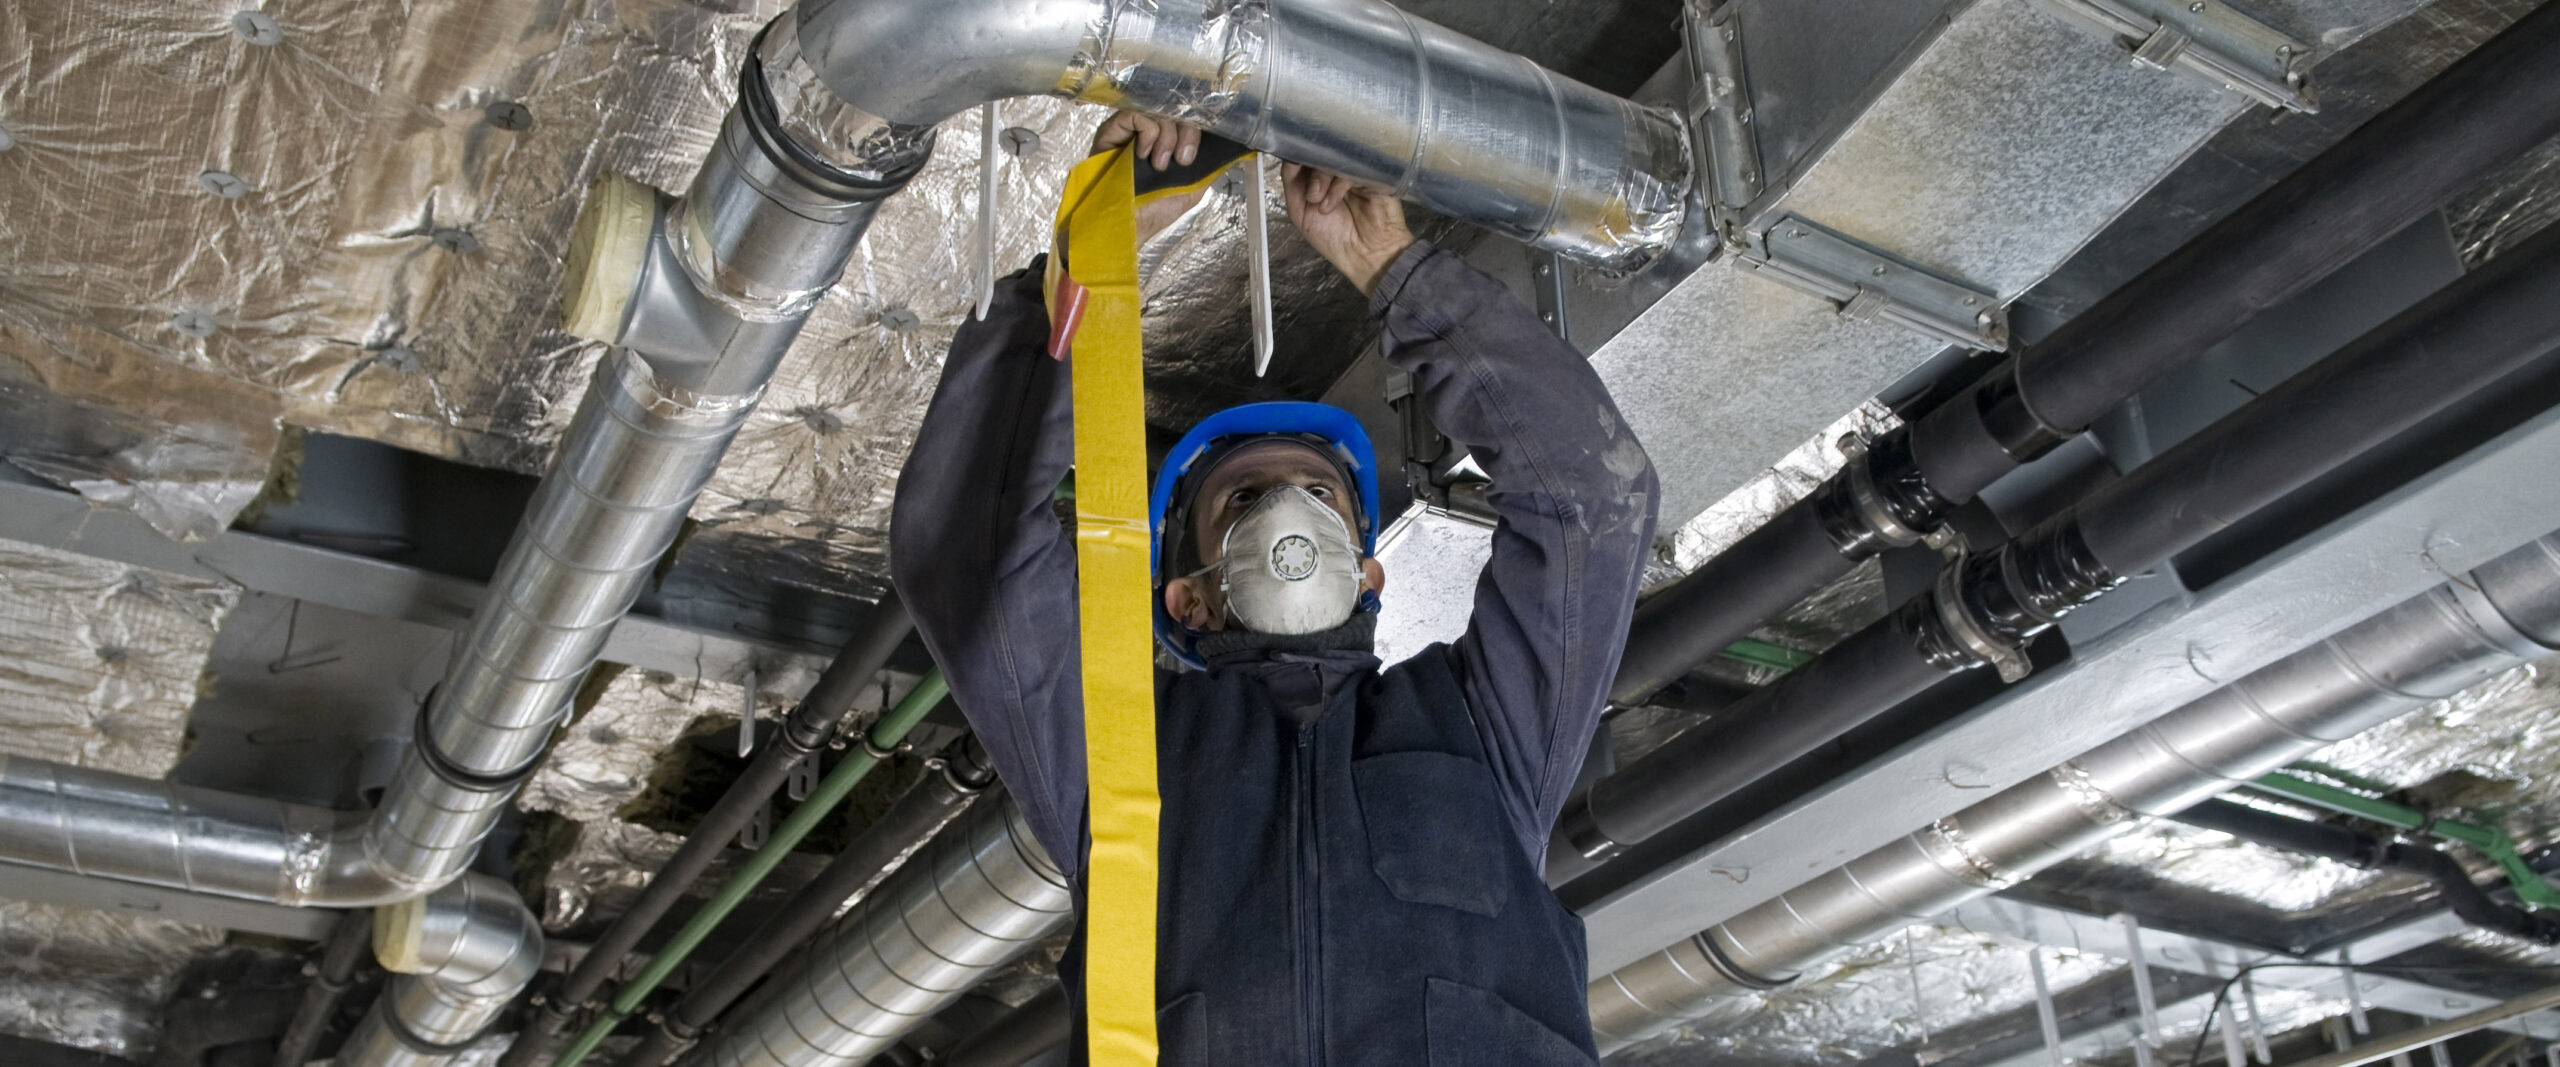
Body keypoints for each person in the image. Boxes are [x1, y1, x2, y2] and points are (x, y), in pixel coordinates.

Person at [889, 111, 1659, 1066]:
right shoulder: (1125, 756)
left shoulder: (1479, 732)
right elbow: (966, 550)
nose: (1289, 514)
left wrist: (1393, 265)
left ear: (1370, 573)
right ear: (1188, 597)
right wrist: (1094, 261)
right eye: (1247, 500)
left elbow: (1594, 501)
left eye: (1318, 497)